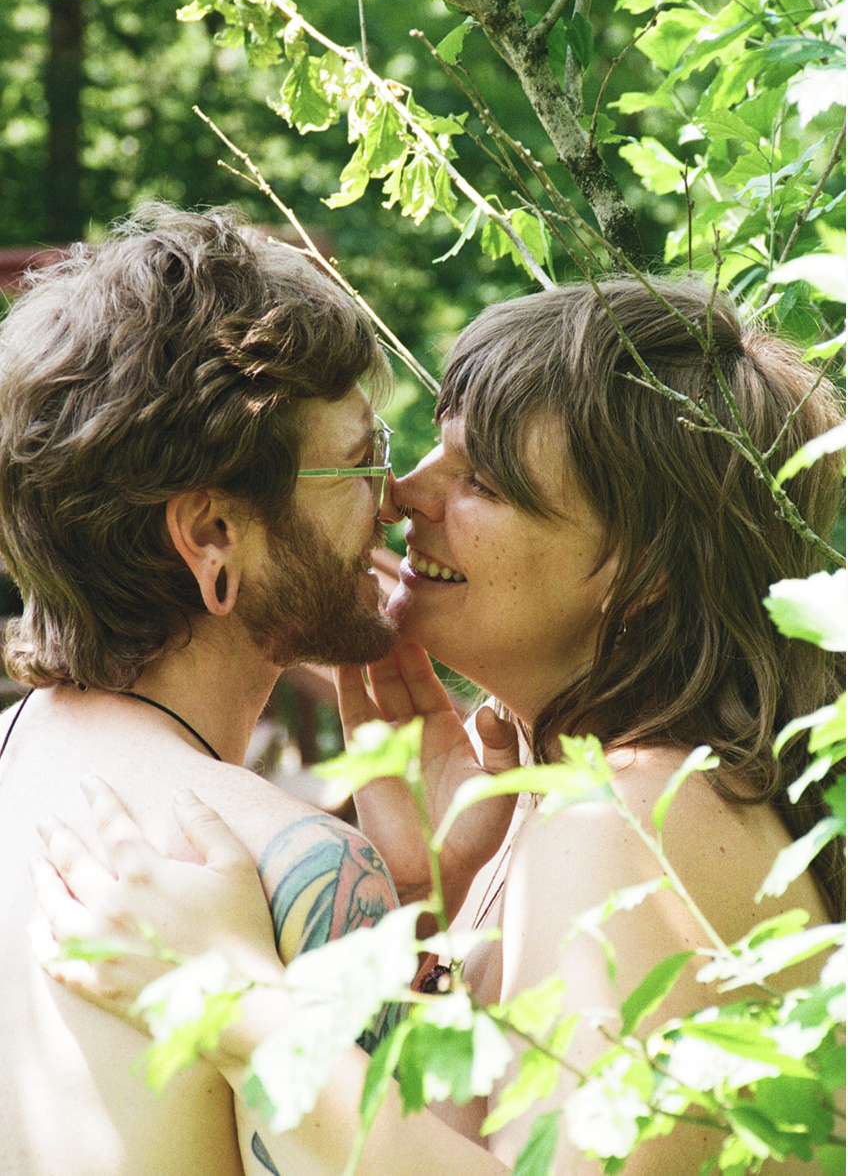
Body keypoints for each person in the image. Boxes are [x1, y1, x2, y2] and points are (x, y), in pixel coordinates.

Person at [29, 276, 845, 1175]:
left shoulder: (627, 819)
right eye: (430, 447)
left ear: (644, 571)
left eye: (482, 482)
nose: (406, 492)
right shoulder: (584, 804)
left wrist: (235, 1003)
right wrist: (431, 903)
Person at [0, 203, 521, 1176]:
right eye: (361, 458)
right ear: (211, 538)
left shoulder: (17, 762)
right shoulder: (292, 870)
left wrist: (417, 896)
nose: (396, 492)